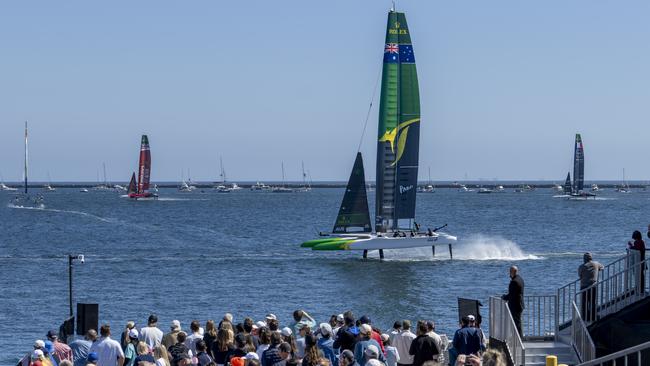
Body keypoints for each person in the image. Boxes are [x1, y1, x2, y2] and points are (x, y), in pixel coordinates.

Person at [578, 252, 604, 321]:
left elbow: (580, 276)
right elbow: (602, 267)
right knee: (592, 302)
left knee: (584, 303)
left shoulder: (581, 266)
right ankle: (593, 316)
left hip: (584, 287)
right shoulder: (596, 264)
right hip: (593, 286)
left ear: (584, 259)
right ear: (591, 258)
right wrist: (597, 270)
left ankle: (585, 317)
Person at [501, 266, 525, 336]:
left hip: (515, 306)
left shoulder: (514, 282)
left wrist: (504, 297)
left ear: (513, 272)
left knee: (516, 324)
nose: (509, 273)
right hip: (519, 305)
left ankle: (519, 339)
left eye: (510, 271)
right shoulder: (520, 279)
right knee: (518, 323)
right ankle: (518, 339)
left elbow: (511, 295)